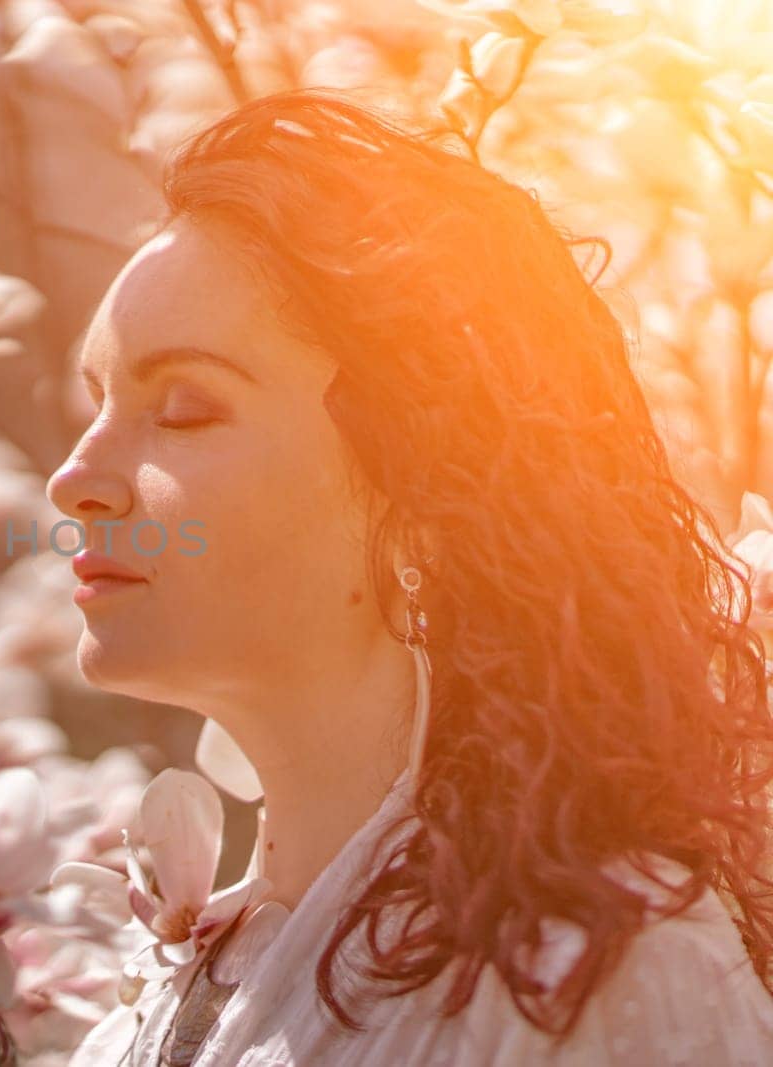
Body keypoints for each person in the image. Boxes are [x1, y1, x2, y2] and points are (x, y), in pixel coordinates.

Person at [44, 86, 773, 1065]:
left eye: (182, 407)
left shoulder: (595, 974)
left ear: (419, 488)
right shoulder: (161, 1002)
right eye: (97, 401)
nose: (74, 479)